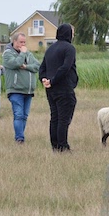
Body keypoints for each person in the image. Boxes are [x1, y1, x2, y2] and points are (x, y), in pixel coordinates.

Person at [39, 24, 78, 152]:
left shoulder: (50, 49)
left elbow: (42, 68)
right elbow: (66, 67)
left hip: (50, 90)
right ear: (68, 34)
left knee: (54, 117)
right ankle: (63, 146)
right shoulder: (69, 48)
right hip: (64, 88)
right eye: (72, 32)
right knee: (63, 119)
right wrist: (54, 80)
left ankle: (55, 145)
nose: (73, 35)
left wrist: (44, 79)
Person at [3, 32, 40, 144]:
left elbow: (37, 66)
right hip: (15, 90)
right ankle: (20, 138)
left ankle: (20, 135)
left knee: (24, 116)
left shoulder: (28, 53)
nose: (23, 44)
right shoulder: (7, 54)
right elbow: (16, 63)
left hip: (28, 91)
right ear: (14, 42)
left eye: (24, 42)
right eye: (20, 42)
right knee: (18, 115)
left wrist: (26, 67)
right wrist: (23, 54)